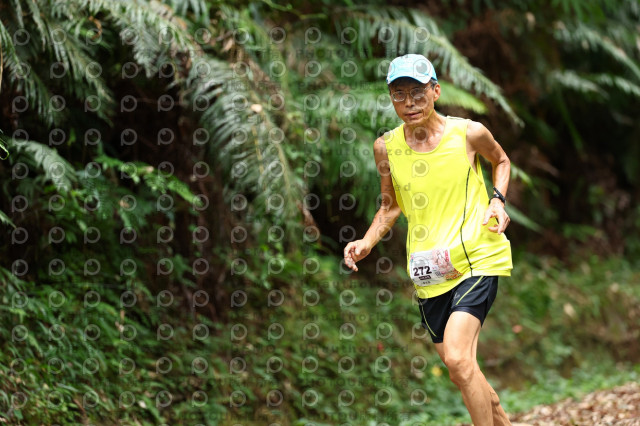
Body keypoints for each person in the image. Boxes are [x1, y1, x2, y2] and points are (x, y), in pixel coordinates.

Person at [343, 54, 513, 426]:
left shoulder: (468, 133)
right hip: (429, 271)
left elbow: (501, 161)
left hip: (478, 255)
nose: (409, 103)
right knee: (462, 370)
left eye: (418, 93)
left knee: (457, 358)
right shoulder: (386, 148)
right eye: (399, 94)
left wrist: (497, 201)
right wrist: (366, 242)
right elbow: (390, 205)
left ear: (436, 91)